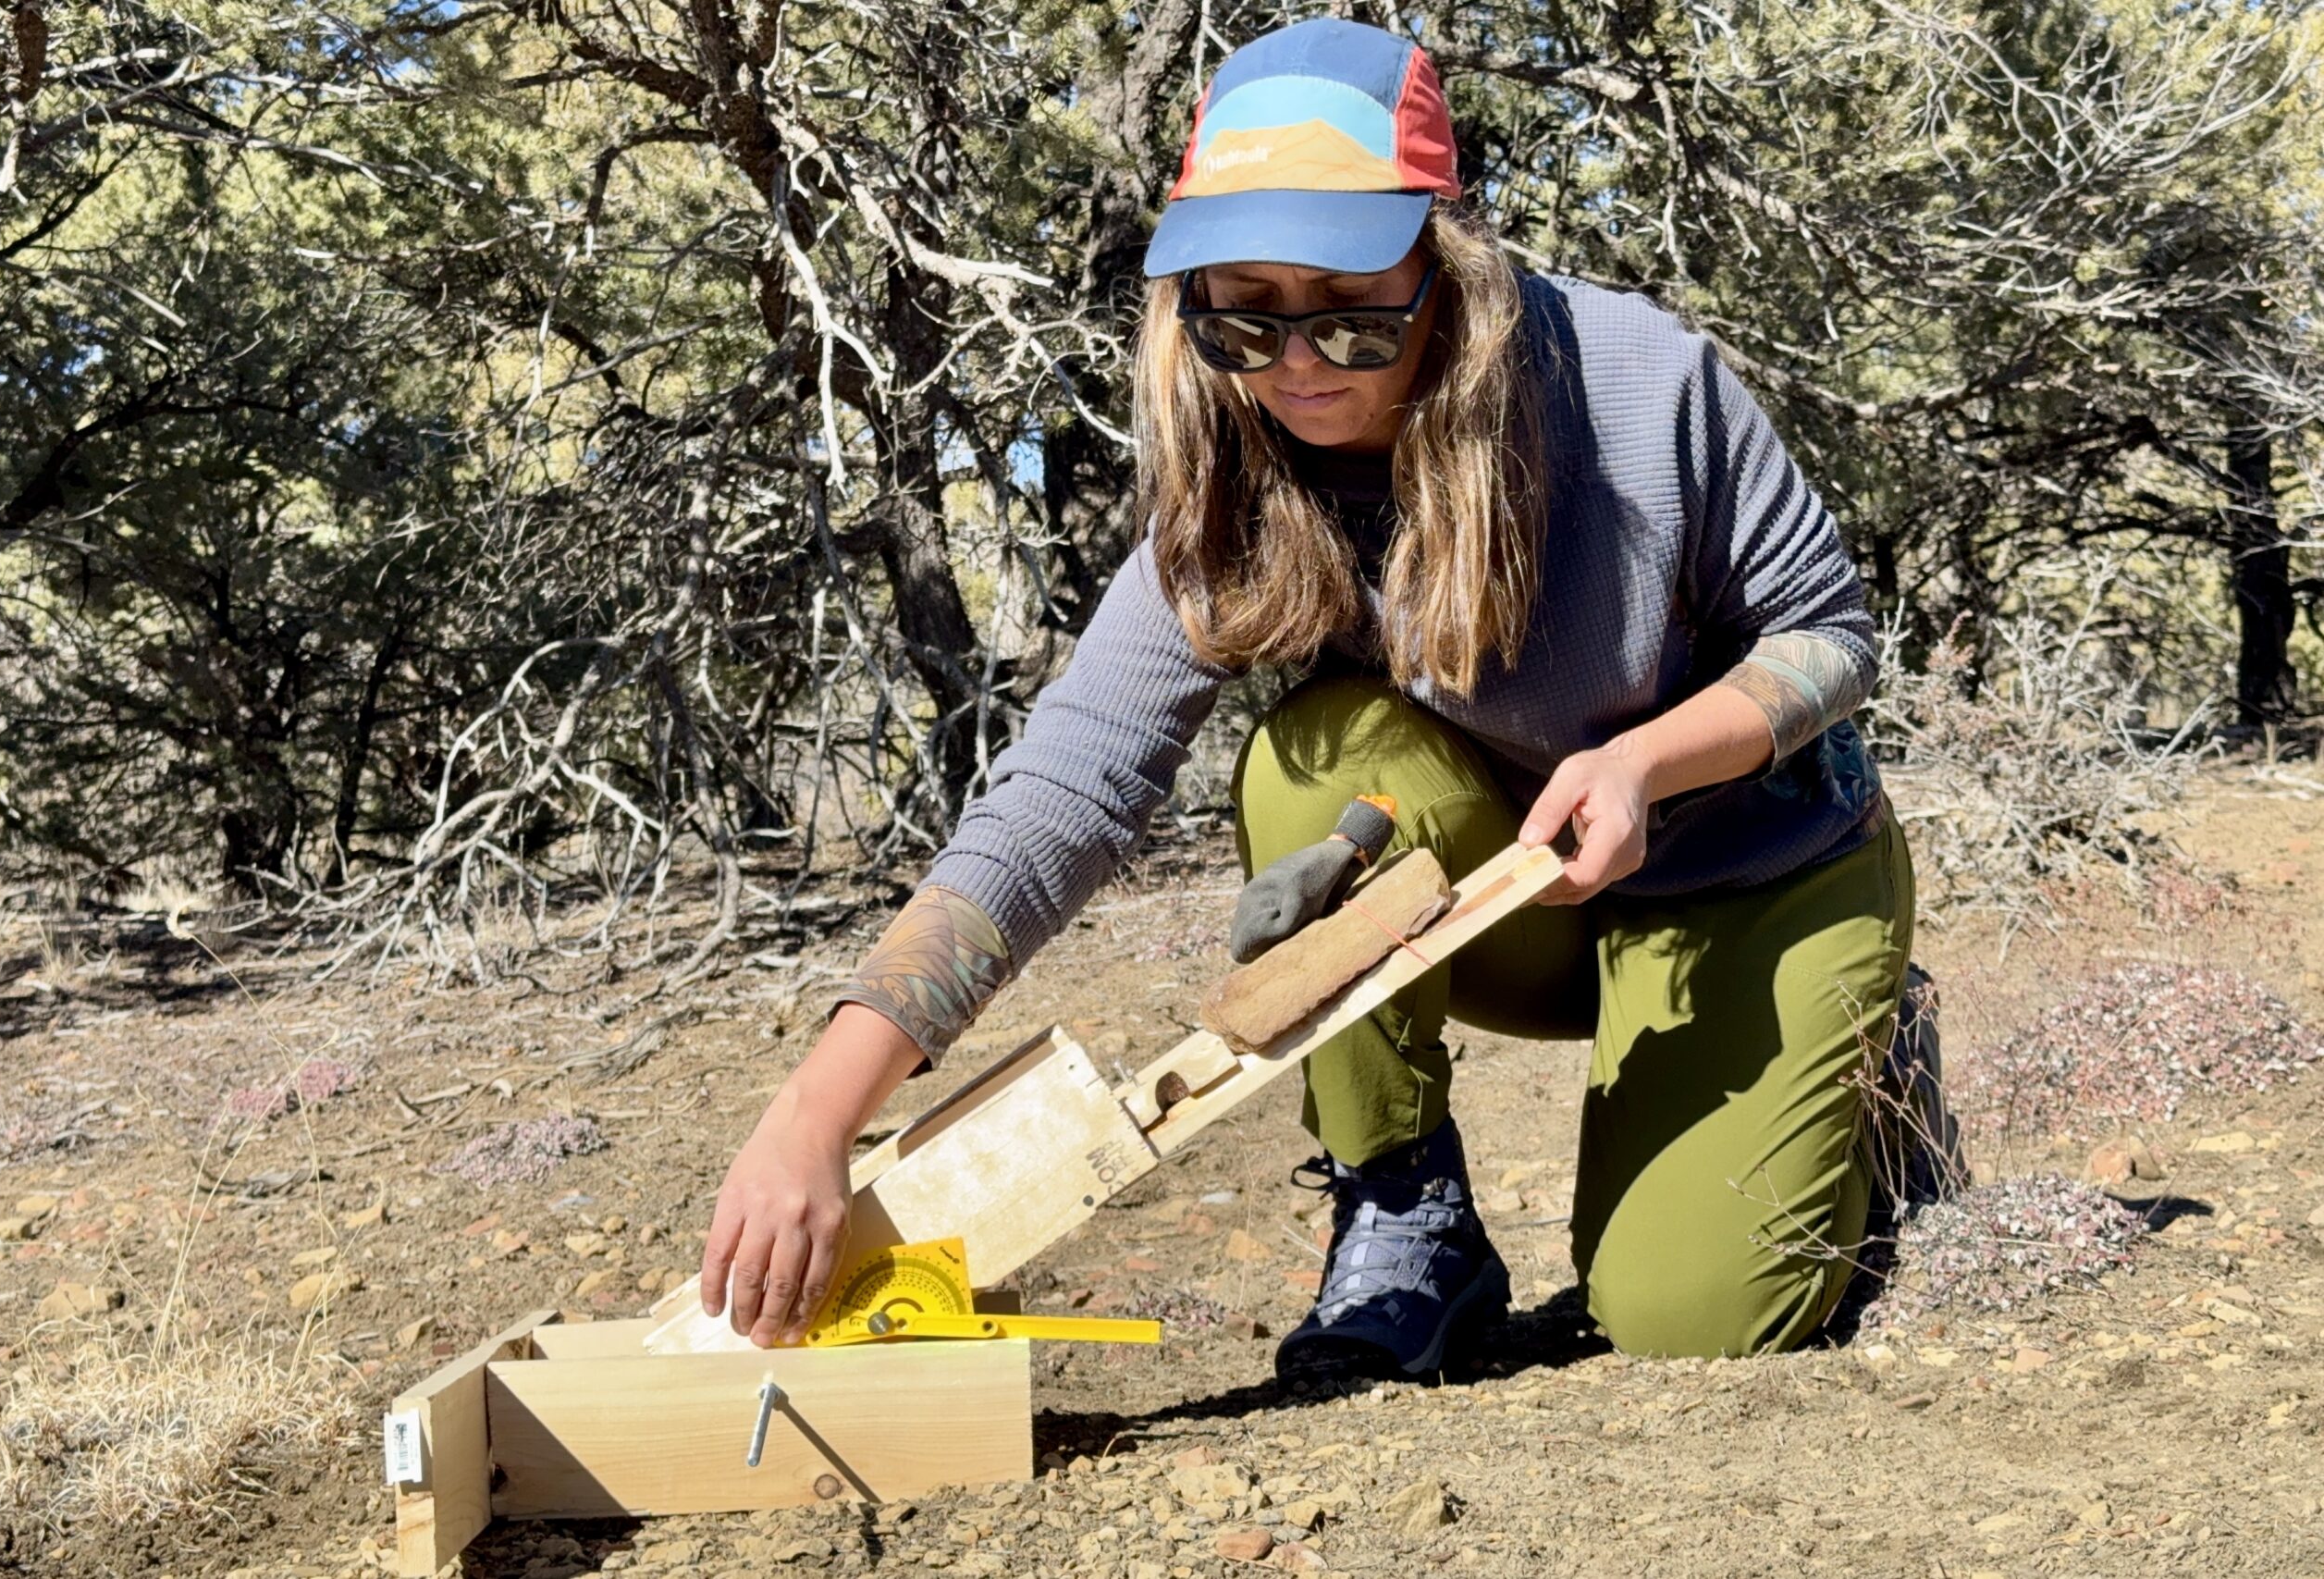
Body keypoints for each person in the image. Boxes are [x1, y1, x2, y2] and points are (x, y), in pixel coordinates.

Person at [698, 16, 1946, 1380]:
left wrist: (1650, 761)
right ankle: (1406, 1213)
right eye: (1245, 314)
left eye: (1354, 311)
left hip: (1754, 877)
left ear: (1443, 266)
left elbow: (1830, 637)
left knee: (1685, 1322)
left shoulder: (1637, 385)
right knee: (1312, 762)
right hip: (1519, 903)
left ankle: (1868, 1057)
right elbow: (1069, 781)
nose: (1299, 364)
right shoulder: (1236, 460)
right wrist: (816, 1114)